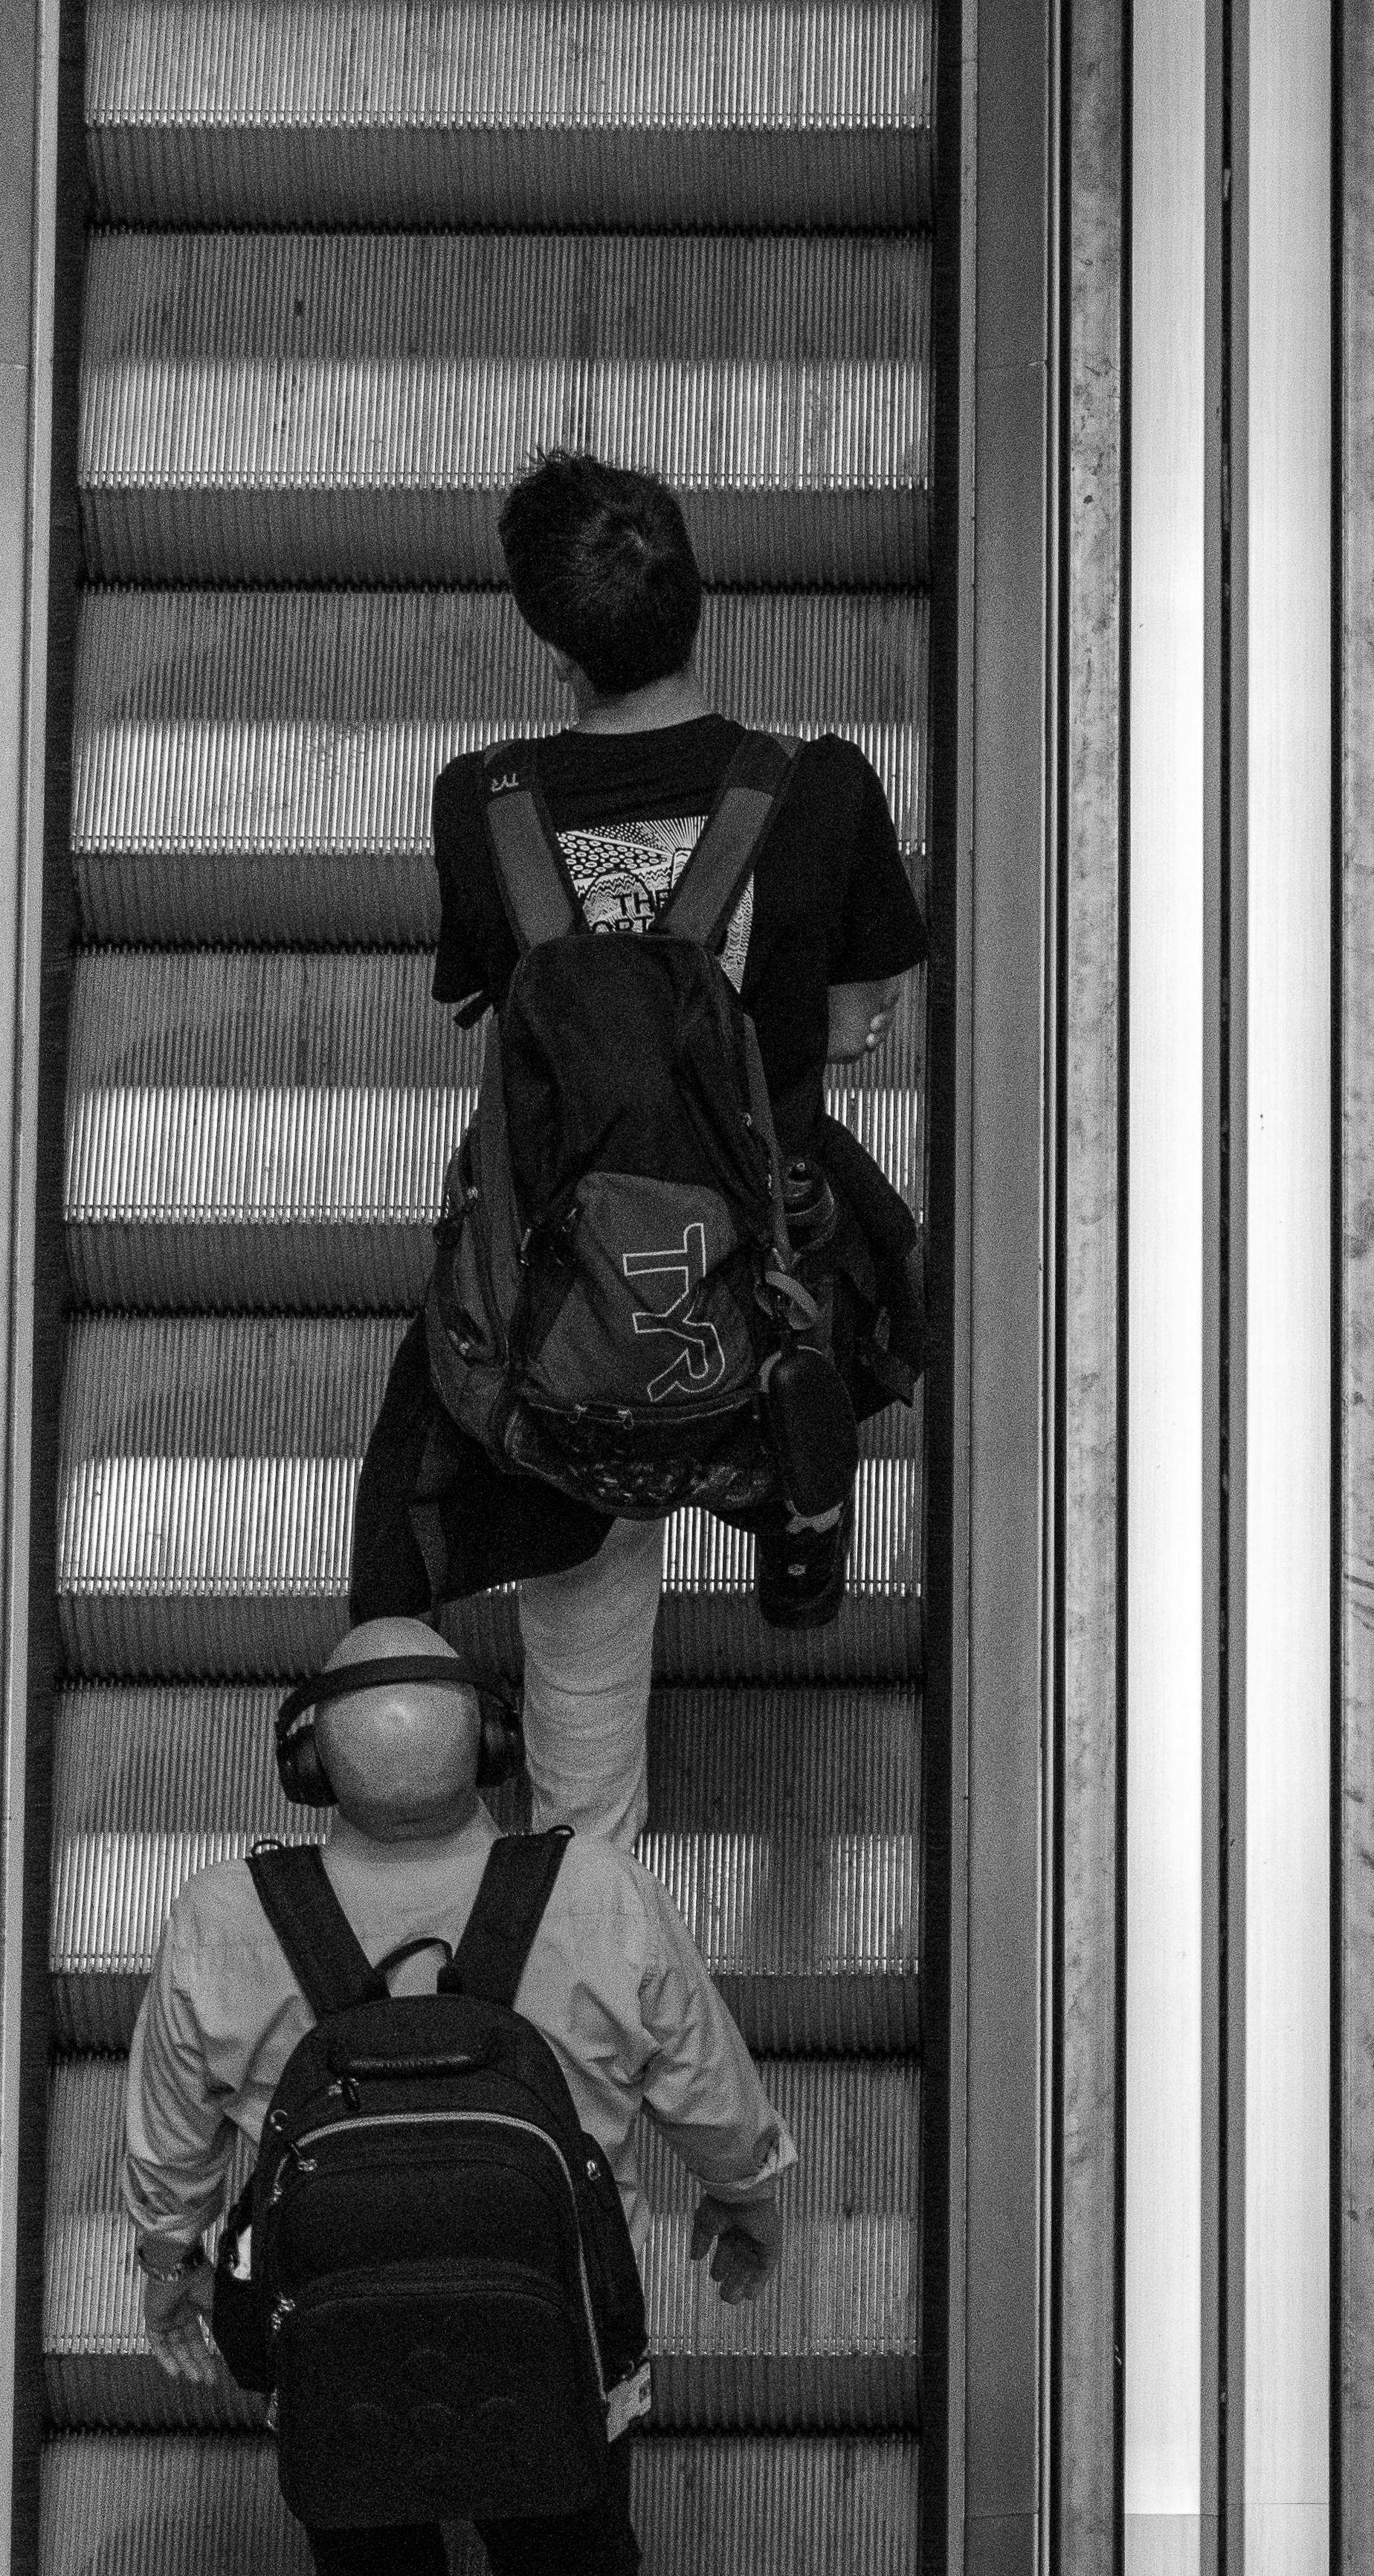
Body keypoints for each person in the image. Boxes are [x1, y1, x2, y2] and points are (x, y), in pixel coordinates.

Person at [122, 1618, 798, 2576]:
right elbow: (707, 2081)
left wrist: (170, 2259)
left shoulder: (222, 1917)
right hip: (561, 2353)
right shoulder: (597, 1893)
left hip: (332, 2352)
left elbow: (172, 2139)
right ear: (494, 1743)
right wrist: (746, 2202)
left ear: (308, 1762)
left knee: (375, 2565)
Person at [349, 445, 929, 1851]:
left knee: (585, 1722)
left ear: (554, 649)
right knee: (833, 1301)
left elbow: (501, 1010)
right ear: (696, 595)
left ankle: (575, 1980)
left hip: (567, 1317)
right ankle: (794, 1512)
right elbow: (856, 1029)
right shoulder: (823, 790)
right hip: (758, 1294)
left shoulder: (479, 804)